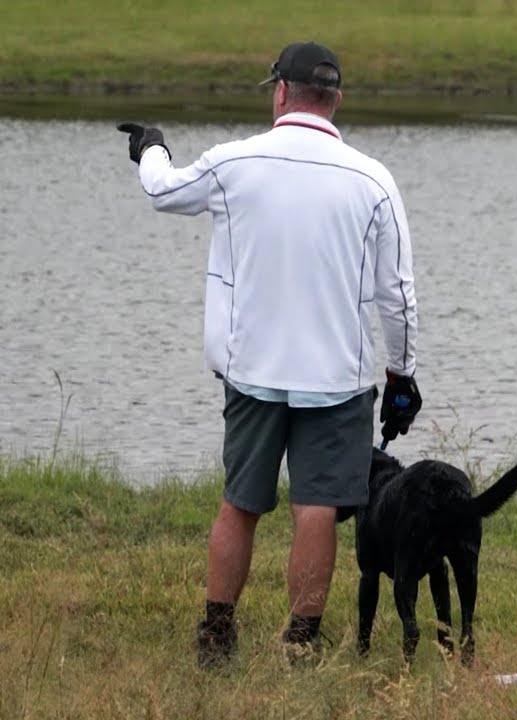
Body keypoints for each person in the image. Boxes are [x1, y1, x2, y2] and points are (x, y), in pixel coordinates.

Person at [117, 41, 423, 667]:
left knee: (241, 500)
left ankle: (216, 633)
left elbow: (162, 191)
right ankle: (300, 645)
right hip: (336, 382)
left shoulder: (233, 163)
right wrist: (403, 374)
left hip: (250, 372)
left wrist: (151, 145)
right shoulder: (373, 180)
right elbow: (398, 295)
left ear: (280, 92)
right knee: (317, 506)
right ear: (334, 100)